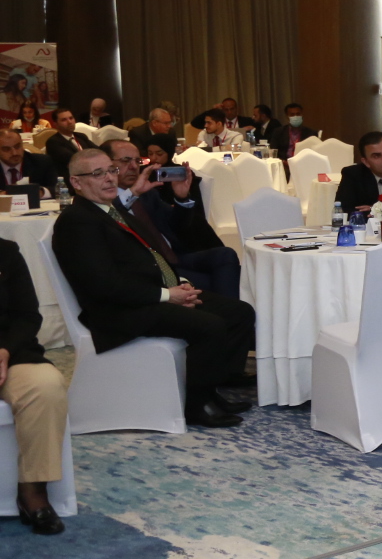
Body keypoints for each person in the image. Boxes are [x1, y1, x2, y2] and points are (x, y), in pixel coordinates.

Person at [52, 148, 256, 429]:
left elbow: (149, 256)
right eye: (97, 174)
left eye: (111, 170)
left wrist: (178, 285)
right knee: (210, 325)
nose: (109, 179)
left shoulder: (108, 209)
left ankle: (216, 384)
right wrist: (167, 295)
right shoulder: (77, 221)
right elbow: (103, 285)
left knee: (239, 312)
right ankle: (198, 405)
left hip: (145, 295)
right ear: (76, 182)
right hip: (118, 312)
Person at [104, 138, 242, 299]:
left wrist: (181, 198)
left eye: (137, 161)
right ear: (107, 165)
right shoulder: (105, 198)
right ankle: (230, 308)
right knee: (218, 283)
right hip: (152, 267)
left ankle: (229, 308)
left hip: (175, 256)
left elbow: (178, 225)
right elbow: (110, 216)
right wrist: (132, 193)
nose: (134, 166)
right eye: (126, 160)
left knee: (226, 254)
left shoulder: (148, 193)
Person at [1, 236, 68, 534]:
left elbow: (27, 316)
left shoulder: (6, 252)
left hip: (9, 353)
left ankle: (33, 490)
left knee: (45, 386)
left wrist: (5, 350)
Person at [0, 127, 56, 196]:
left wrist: (41, 192)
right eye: (6, 149)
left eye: (17, 146)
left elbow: (58, 189)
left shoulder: (41, 162)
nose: (14, 153)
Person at [43, 107, 84, 181]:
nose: (69, 122)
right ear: (56, 124)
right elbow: (74, 160)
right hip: (70, 180)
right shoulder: (53, 142)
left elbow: (98, 150)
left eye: (71, 118)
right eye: (64, 120)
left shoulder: (81, 136)